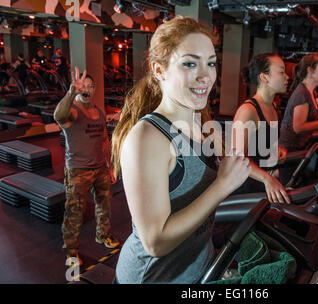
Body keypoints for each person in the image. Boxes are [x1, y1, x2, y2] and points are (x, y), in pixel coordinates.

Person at [111, 16, 250, 284]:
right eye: (189, 63)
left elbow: (231, 164)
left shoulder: (200, 120)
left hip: (197, 267)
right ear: (159, 70)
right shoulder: (148, 138)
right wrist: (221, 186)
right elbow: (155, 242)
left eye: (210, 63)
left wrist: (266, 178)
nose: (205, 75)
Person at [54, 67, 120, 267]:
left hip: (99, 167)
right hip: (78, 169)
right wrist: (71, 91)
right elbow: (58, 116)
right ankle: (71, 252)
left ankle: (103, 235)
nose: (88, 90)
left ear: (94, 89)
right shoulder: (72, 110)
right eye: (85, 86)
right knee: (75, 212)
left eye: (91, 86)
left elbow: (104, 140)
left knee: (105, 204)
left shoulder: (99, 112)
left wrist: (109, 166)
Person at [232, 53, 290, 204]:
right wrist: (267, 178)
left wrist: (278, 150)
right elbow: (236, 159)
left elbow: (263, 147)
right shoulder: (248, 111)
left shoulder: (272, 106)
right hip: (247, 189)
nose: (287, 77)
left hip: (264, 183)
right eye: (281, 72)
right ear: (264, 77)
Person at [279, 54, 318, 184]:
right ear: (310, 70)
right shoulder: (302, 93)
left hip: (301, 147)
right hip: (291, 152)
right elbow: (299, 127)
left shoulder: (312, 92)